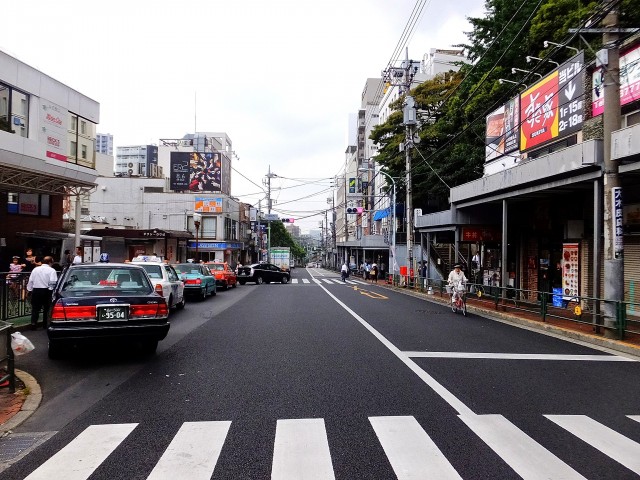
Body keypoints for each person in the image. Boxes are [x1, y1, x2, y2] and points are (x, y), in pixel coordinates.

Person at [27, 256, 58, 329]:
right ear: (50, 262)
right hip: (46, 291)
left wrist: (29, 290)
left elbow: (30, 280)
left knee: (35, 308)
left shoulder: (35, 269)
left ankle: (33, 324)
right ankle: (45, 324)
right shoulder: (52, 270)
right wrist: (51, 290)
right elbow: (53, 282)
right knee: (46, 309)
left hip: (36, 290)